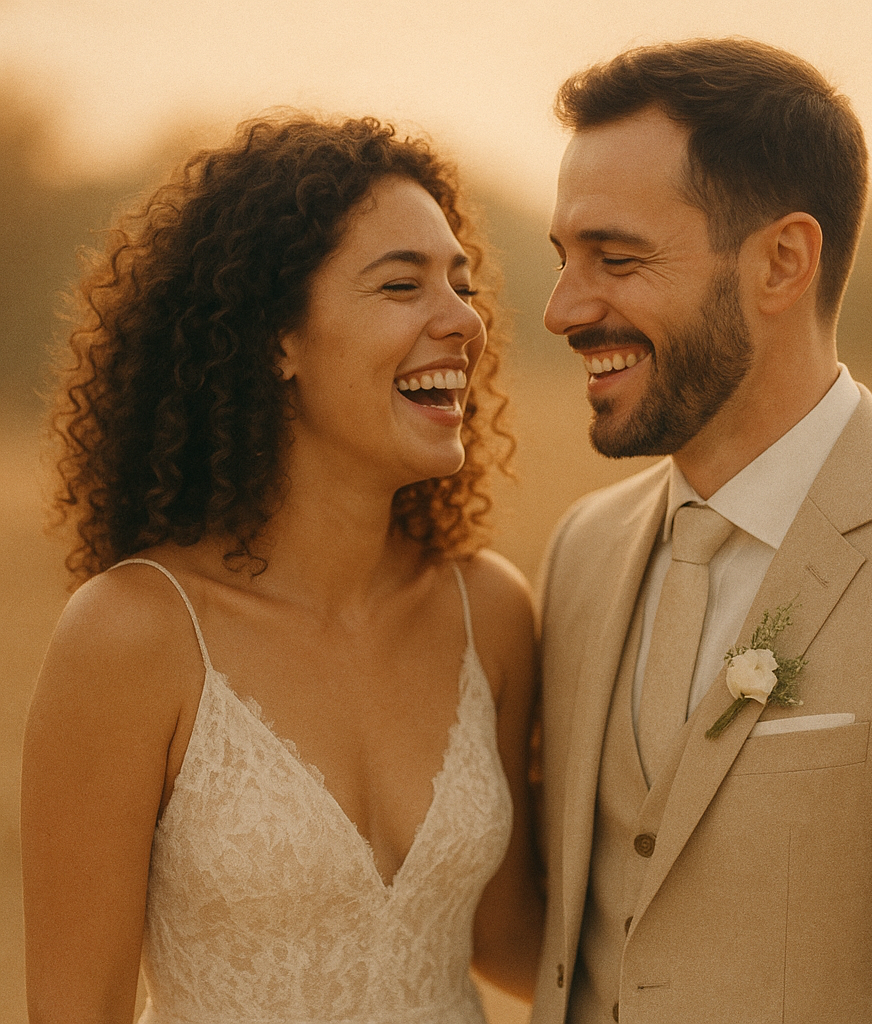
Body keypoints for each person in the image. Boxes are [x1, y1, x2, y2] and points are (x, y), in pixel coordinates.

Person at [532, 38, 872, 1024]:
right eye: (563, 260)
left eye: (616, 259)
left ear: (782, 261)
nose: (562, 309)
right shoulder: (582, 549)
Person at [21, 113, 542, 1024]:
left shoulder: (487, 611)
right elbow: (77, 1010)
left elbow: (514, 940)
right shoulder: (134, 632)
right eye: (402, 285)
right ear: (277, 338)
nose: (464, 319)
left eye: (461, 285)